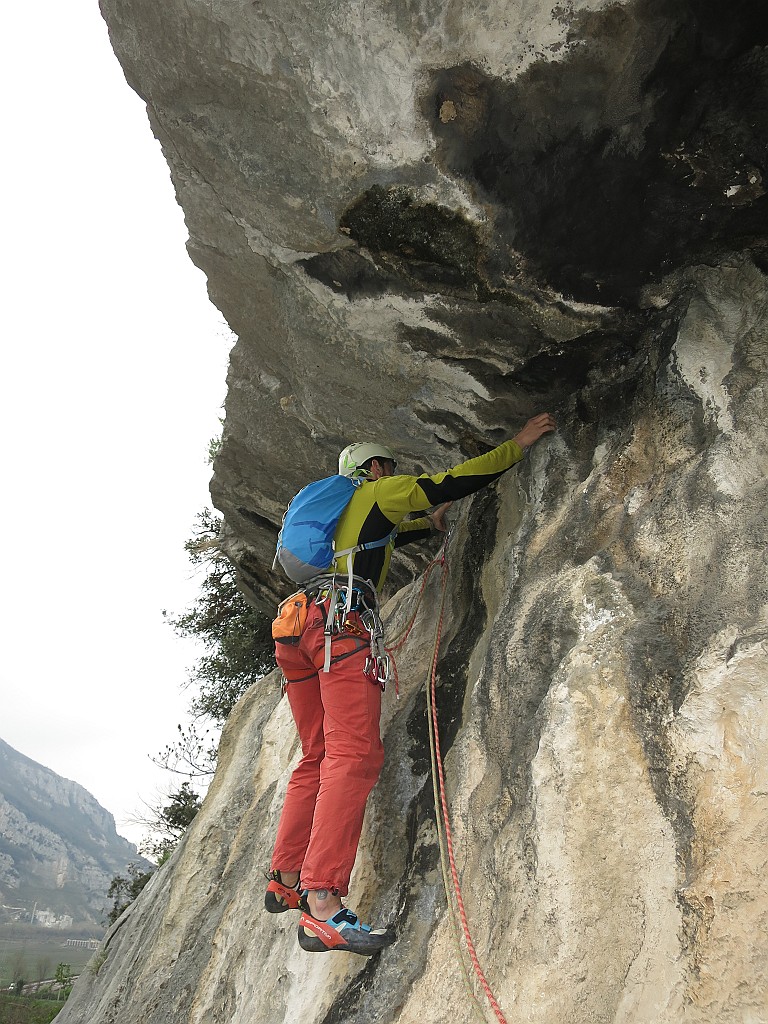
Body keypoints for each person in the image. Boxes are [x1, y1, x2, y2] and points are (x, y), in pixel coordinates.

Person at [265, 413, 556, 955]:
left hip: (297, 626)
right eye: (389, 468)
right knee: (353, 757)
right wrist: (516, 444)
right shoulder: (377, 490)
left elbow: (392, 533)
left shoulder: (341, 517)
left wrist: (430, 525)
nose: (393, 473)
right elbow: (449, 483)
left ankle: (283, 879)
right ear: (373, 468)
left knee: (317, 754)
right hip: (342, 627)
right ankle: (322, 904)